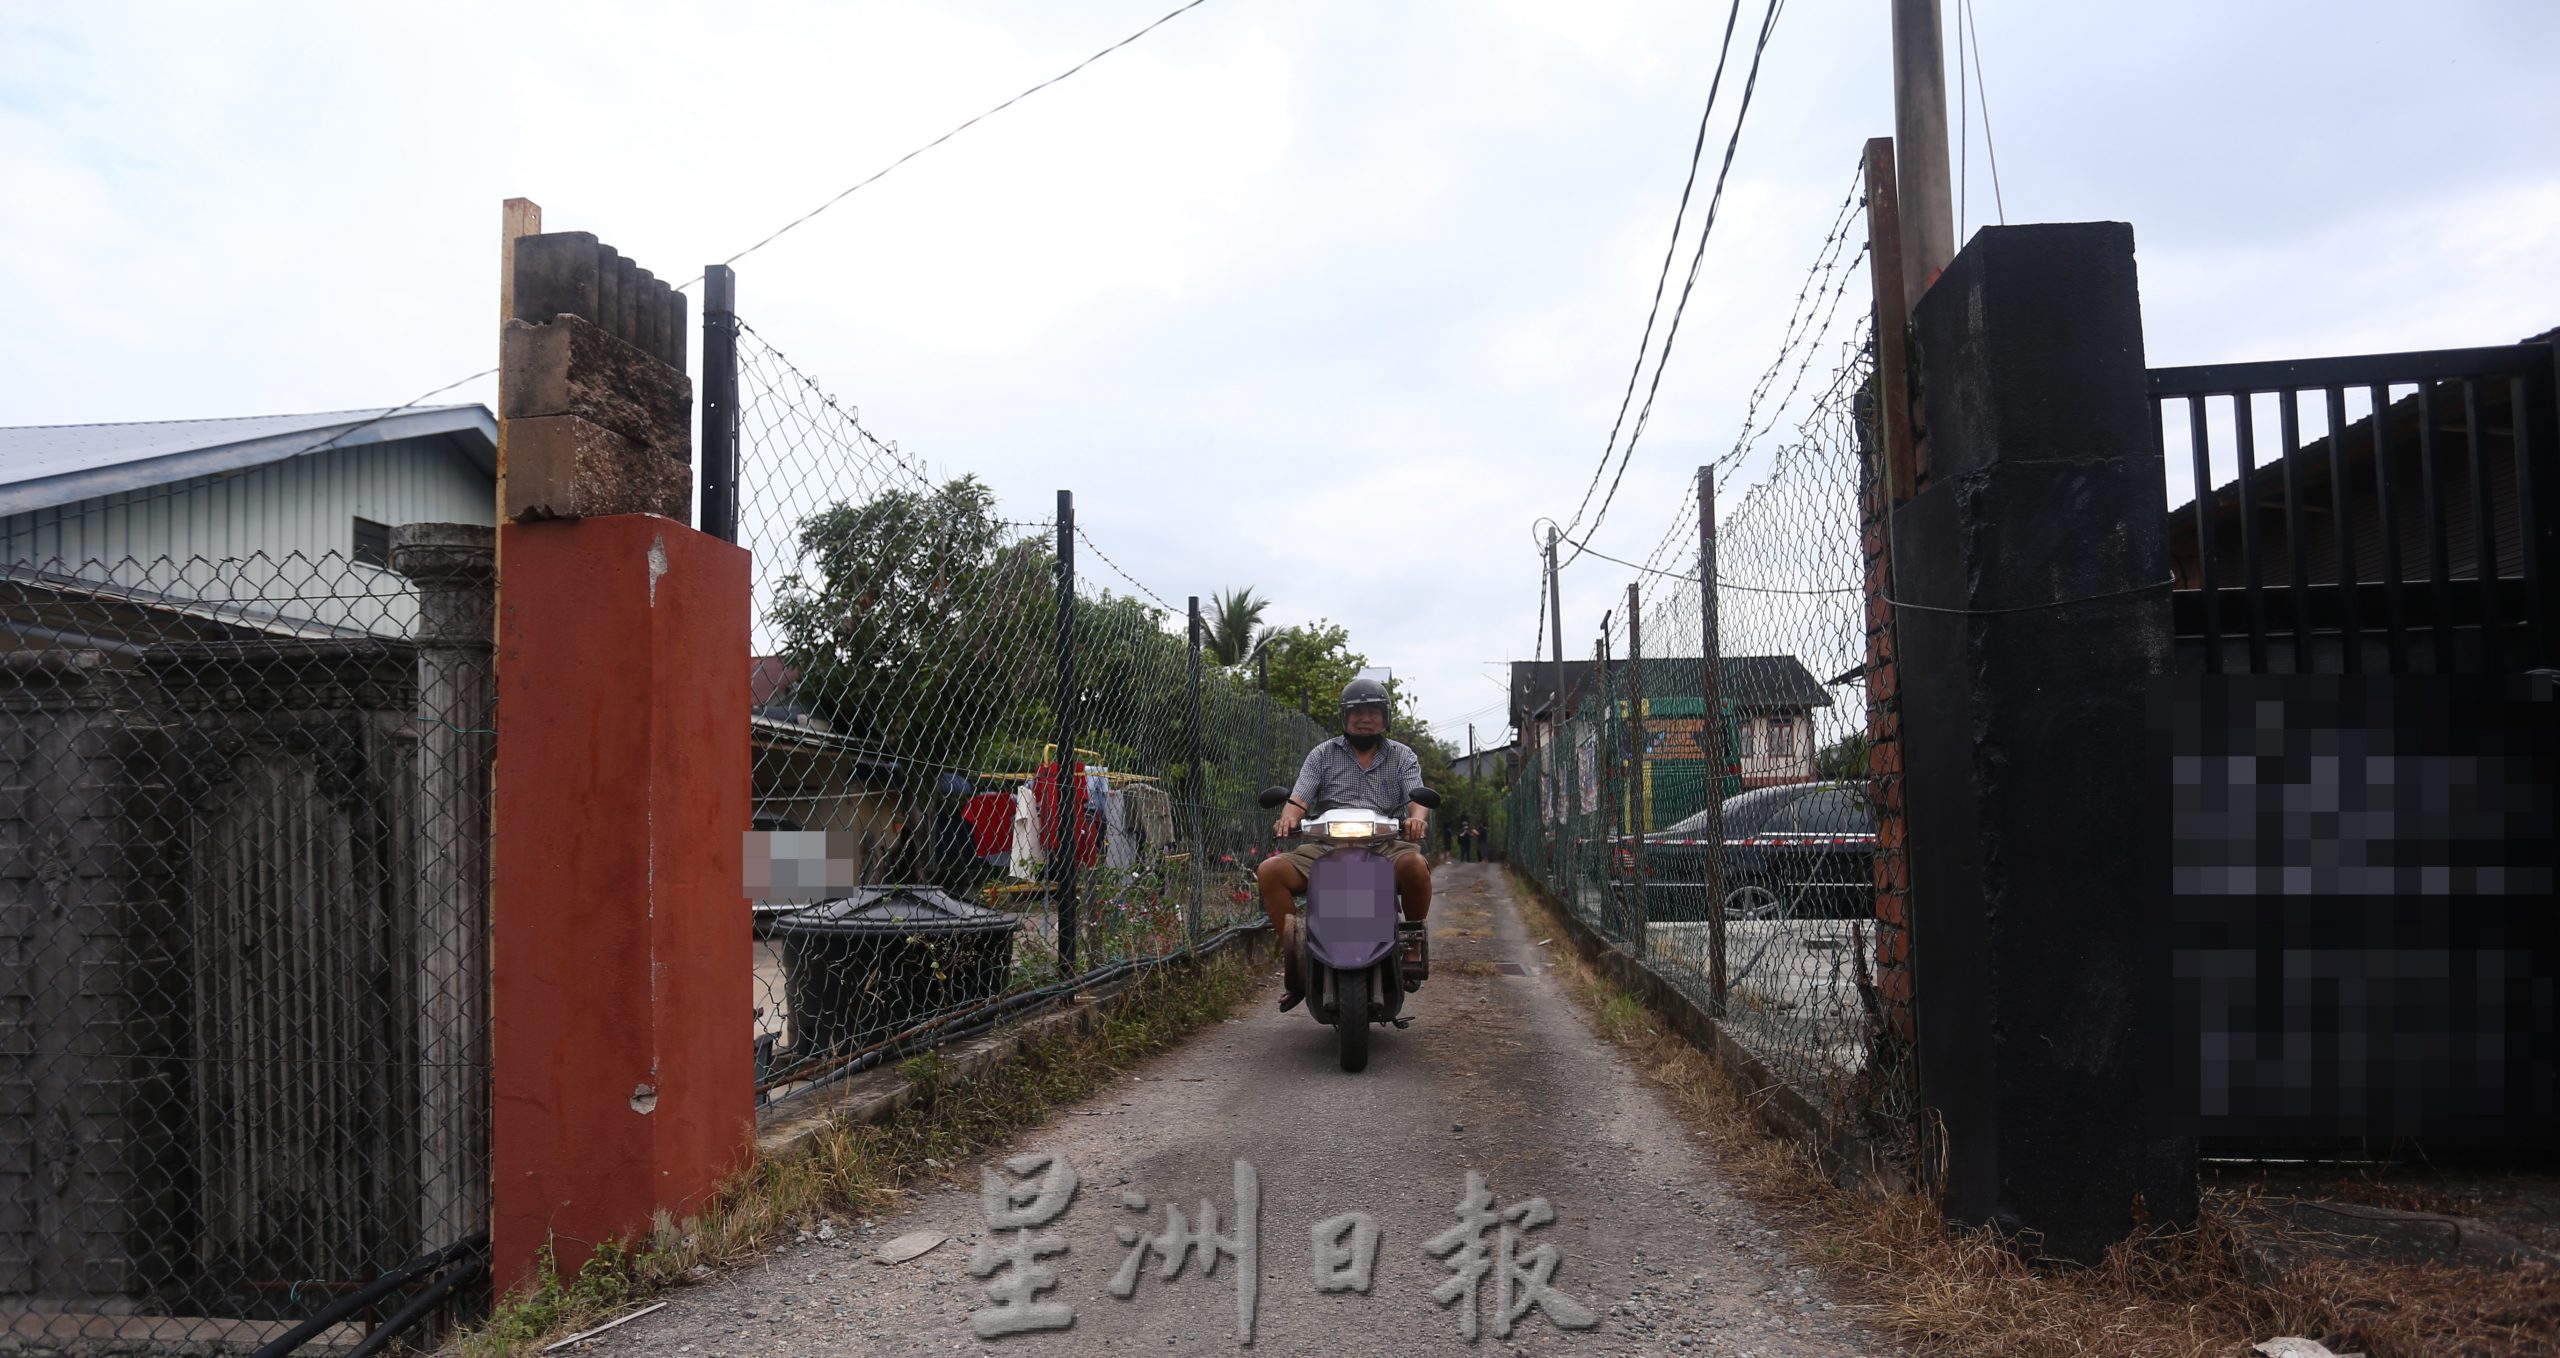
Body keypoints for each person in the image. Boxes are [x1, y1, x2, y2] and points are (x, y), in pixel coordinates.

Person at [1257, 677, 1431, 1010]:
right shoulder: (1321, 754)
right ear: (1345, 717)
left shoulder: (1403, 756)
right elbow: (1299, 799)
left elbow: (1416, 798)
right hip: (1327, 846)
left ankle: (1411, 943)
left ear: (1385, 716)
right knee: (1270, 871)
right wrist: (1288, 818)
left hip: (1386, 844)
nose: (1366, 718)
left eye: (1374, 711)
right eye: (1357, 712)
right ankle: (1297, 958)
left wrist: (1417, 818)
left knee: (1416, 867)